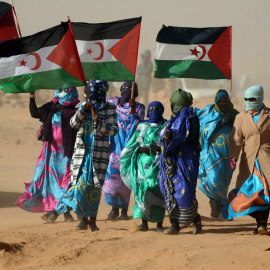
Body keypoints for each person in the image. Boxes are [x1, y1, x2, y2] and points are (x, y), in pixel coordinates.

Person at [55, 80, 118, 231]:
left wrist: (99, 124)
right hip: (82, 154)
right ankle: (82, 219)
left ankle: (93, 221)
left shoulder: (109, 108)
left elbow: (113, 130)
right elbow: (73, 124)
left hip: (99, 155)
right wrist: (83, 112)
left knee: (94, 188)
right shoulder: (83, 106)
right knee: (80, 186)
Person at [16, 88, 80, 223]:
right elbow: (34, 114)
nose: (61, 93)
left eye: (65, 91)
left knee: (67, 183)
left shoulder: (77, 112)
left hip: (68, 156)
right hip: (50, 155)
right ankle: (63, 213)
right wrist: (32, 96)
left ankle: (62, 213)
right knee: (51, 184)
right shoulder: (52, 107)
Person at [223, 85, 270, 235]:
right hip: (249, 161)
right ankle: (258, 219)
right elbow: (236, 140)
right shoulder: (241, 117)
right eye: (246, 99)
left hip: (266, 159)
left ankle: (262, 224)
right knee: (246, 195)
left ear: (260, 99)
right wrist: (233, 156)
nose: (249, 102)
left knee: (264, 193)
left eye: (252, 99)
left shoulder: (269, 115)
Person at [159, 89, 202, 235]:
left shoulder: (192, 117)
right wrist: (167, 138)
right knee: (170, 189)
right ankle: (174, 224)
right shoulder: (173, 118)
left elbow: (194, 137)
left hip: (187, 160)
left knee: (186, 192)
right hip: (173, 161)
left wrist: (176, 137)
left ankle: (195, 218)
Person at [120, 101, 167, 232]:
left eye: (157, 109)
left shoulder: (166, 125)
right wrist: (140, 150)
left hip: (158, 165)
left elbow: (170, 144)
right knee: (142, 192)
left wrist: (159, 148)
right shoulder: (142, 126)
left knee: (159, 191)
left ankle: (159, 224)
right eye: (151, 108)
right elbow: (132, 145)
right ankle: (144, 223)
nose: (153, 111)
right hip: (142, 167)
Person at [103, 81, 145, 220]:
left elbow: (138, 125)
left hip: (128, 148)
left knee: (126, 180)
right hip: (114, 147)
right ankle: (114, 209)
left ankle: (124, 212)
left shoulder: (139, 107)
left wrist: (133, 112)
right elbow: (100, 99)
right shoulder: (114, 103)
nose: (125, 92)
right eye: (123, 89)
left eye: (128, 89)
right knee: (111, 180)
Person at [195, 90, 238, 218]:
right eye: (220, 101)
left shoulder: (235, 114)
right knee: (214, 178)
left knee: (224, 181)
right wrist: (220, 123)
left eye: (225, 101)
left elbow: (242, 129)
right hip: (212, 153)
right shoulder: (209, 113)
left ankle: (220, 208)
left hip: (228, 155)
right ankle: (214, 205)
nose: (222, 104)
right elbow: (202, 127)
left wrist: (232, 120)